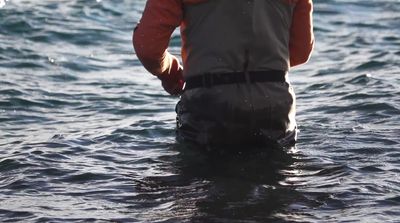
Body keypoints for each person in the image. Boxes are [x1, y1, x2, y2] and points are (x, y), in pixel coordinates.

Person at [133, 0, 314, 148]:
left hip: (209, 104)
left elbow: (148, 48)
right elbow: (300, 51)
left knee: (197, 186)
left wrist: (172, 74)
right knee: (279, 184)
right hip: (274, 104)